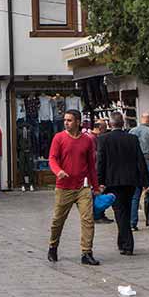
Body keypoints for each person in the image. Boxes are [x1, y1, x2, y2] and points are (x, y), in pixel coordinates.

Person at [47, 109, 100, 266]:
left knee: (88, 219)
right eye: (65, 120)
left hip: (83, 186)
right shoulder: (59, 138)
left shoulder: (87, 140)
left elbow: (91, 165)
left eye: (69, 120)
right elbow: (52, 158)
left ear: (78, 122)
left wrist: (95, 186)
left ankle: (86, 252)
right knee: (58, 220)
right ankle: (53, 246)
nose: (66, 123)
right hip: (64, 186)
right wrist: (58, 171)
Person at [96, 111, 149, 256]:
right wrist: (145, 180)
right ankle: (122, 242)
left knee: (120, 212)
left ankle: (127, 245)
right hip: (130, 181)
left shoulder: (103, 139)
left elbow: (101, 161)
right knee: (124, 209)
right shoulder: (132, 139)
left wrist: (99, 181)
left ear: (110, 124)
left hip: (113, 181)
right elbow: (140, 159)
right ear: (123, 123)